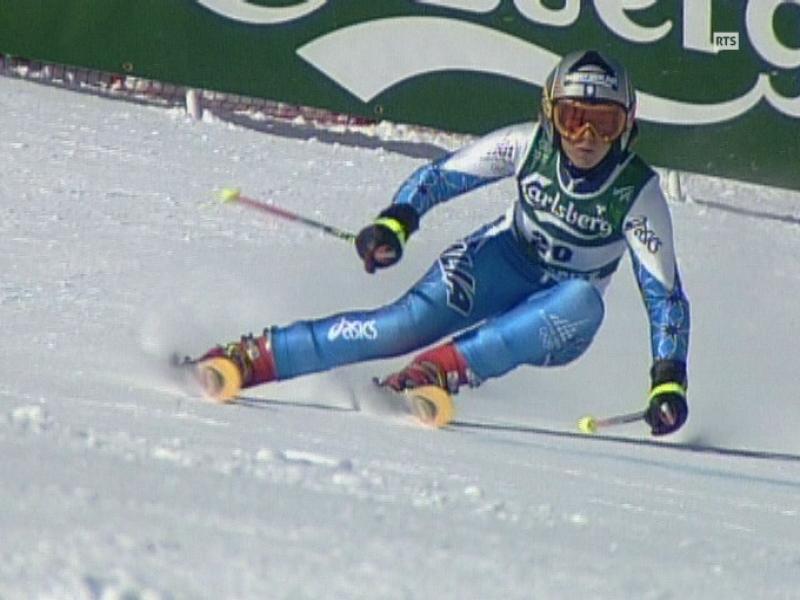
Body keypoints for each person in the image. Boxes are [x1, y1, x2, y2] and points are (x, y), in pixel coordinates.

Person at [197, 49, 690, 436]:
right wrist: (396, 222)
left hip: (560, 318)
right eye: (571, 118)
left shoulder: (637, 193)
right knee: (399, 326)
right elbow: (442, 176)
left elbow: (664, 294)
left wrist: (668, 379)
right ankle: (255, 357)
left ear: (626, 126)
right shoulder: (525, 146)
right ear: (549, 116)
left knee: (585, 299)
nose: (585, 136)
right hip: (502, 261)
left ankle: (435, 372)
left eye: (603, 123)